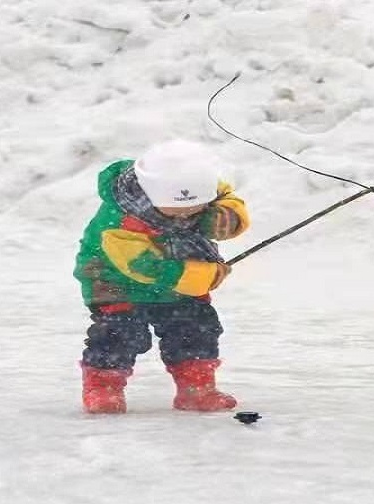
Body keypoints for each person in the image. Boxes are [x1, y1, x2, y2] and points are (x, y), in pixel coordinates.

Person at [73, 139, 250, 414]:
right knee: (120, 333)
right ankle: (103, 387)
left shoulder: (200, 189)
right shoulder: (121, 221)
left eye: (195, 208)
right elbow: (147, 267)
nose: (186, 216)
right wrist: (204, 275)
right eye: (176, 211)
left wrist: (226, 218)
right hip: (115, 282)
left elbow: (228, 198)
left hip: (180, 276)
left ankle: (196, 388)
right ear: (150, 192)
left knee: (194, 328)